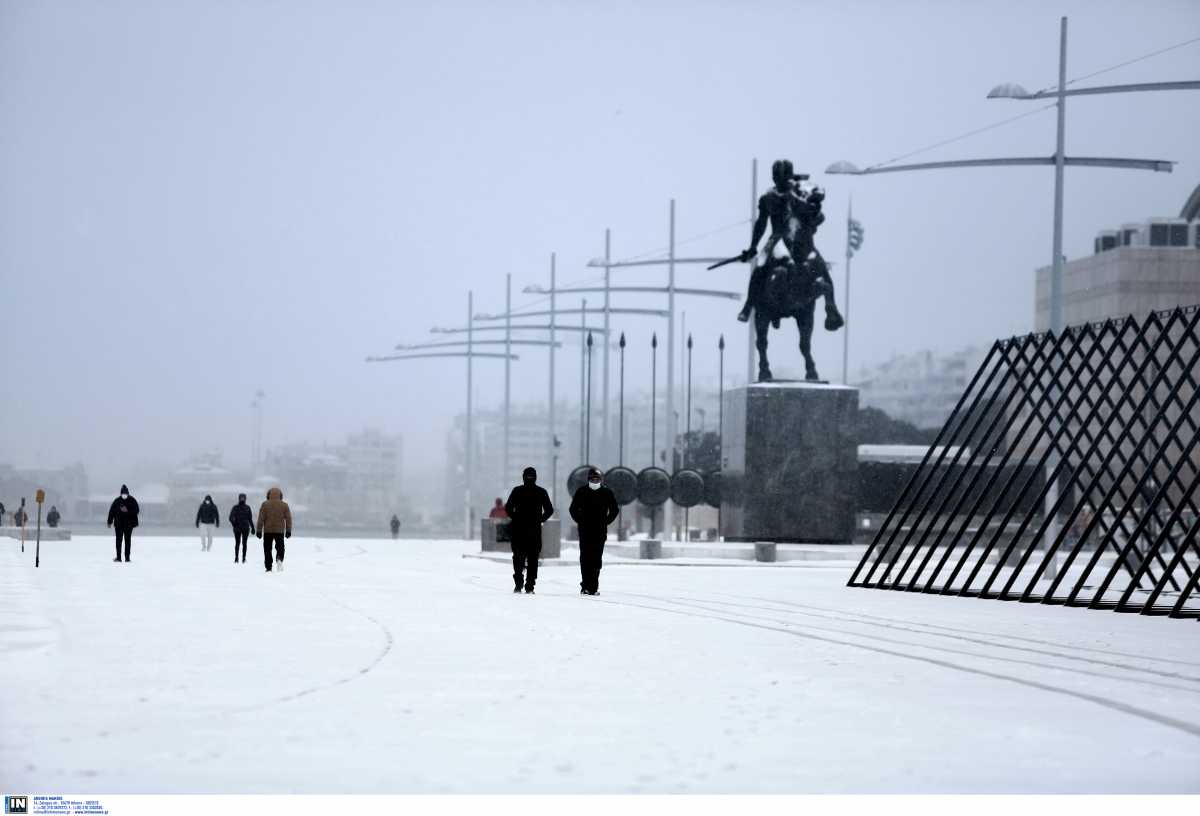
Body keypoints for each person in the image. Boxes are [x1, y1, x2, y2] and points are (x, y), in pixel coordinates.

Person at [569, 467, 620, 595]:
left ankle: (593, 586)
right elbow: (573, 509)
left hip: (600, 531)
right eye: (592, 478)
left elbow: (614, 509)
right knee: (585, 559)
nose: (595, 480)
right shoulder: (582, 492)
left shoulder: (607, 492)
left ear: (601, 480)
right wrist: (580, 521)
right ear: (588, 479)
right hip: (585, 531)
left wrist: (606, 521)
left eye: (597, 478)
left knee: (596, 559)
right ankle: (585, 585)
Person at [503, 466, 553, 594]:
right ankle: (529, 586)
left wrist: (516, 518)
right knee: (532, 559)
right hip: (533, 531)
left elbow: (508, 508)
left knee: (519, 558)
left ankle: (519, 584)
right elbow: (549, 510)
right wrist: (540, 519)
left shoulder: (517, 491)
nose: (529, 479)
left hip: (519, 531)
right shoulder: (541, 492)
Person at [256, 486, 292, 573]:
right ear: (280, 495)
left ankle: (268, 568)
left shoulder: (265, 504)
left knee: (267, 549)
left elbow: (261, 518)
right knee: (280, 547)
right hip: (279, 531)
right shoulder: (284, 505)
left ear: (269, 495)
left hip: (268, 531)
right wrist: (288, 530)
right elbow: (288, 518)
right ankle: (279, 559)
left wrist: (259, 530)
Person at [106, 485, 139, 563]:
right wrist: (109, 521)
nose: (124, 495)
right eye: (123, 493)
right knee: (118, 541)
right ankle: (118, 558)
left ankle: (127, 558)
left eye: (125, 493)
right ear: (121, 494)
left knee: (127, 541)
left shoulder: (132, 500)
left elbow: (137, 510)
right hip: (119, 525)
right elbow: (112, 512)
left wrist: (127, 511)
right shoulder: (117, 501)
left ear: (128, 493)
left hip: (129, 525)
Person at [228, 493, 255, 563]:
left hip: (245, 528)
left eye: (243, 498)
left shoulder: (247, 508)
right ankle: (237, 558)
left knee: (244, 543)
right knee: (238, 543)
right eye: (241, 498)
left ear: (245, 499)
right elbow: (230, 518)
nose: (242, 499)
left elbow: (250, 518)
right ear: (239, 498)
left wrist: (253, 527)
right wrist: (234, 524)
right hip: (238, 528)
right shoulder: (235, 507)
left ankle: (243, 558)